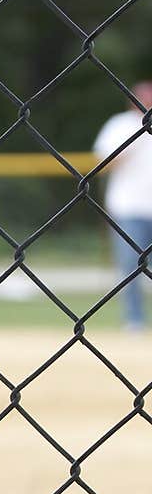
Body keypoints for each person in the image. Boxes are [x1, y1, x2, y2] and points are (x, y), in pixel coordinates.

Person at [93, 81, 152, 330]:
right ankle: (134, 320)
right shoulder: (119, 125)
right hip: (128, 207)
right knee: (130, 265)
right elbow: (103, 163)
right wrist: (134, 141)